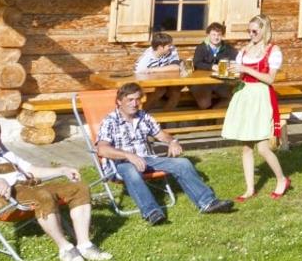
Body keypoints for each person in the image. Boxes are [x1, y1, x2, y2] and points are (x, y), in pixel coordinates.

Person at [0, 119, 111, 261]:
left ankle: (84, 245)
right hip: (2, 200)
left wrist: (62, 170)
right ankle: (65, 248)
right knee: (43, 196)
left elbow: (33, 171)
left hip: (30, 188)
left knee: (79, 188)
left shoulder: (7, 155)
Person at [93, 82, 234, 223]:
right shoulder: (110, 121)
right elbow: (102, 149)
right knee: (130, 170)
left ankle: (208, 203)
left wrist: (172, 142)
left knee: (183, 163)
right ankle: (152, 212)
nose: (134, 104)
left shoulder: (144, 117)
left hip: (147, 159)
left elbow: (161, 135)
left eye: (137, 99)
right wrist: (128, 155)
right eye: (130, 100)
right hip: (121, 163)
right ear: (119, 101)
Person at [219, 14, 291, 200]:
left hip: (261, 96)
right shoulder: (245, 50)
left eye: (255, 31)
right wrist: (230, 75)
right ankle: (250, 188)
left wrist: (246, 70)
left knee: (263, 147)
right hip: (244, 94)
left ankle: (282, 179)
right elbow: (240, 74)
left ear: (264, 30)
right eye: (249, 31)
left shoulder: (272, 51)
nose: (251, 35)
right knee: (246, 146)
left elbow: (270, 79)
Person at [191, 21, 231, 109]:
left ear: (222, 36)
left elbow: (235, 60)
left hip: (219, 81)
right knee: (204, 104)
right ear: (208, 35)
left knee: (231, 98)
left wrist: (229, 65)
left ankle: (213, 113)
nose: (216, 37)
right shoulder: (201, 47)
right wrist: (211, 67)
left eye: (219, 35)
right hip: (202, 82)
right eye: (213, 34)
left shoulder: (227, 47)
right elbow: (196, 63)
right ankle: (205, 118)